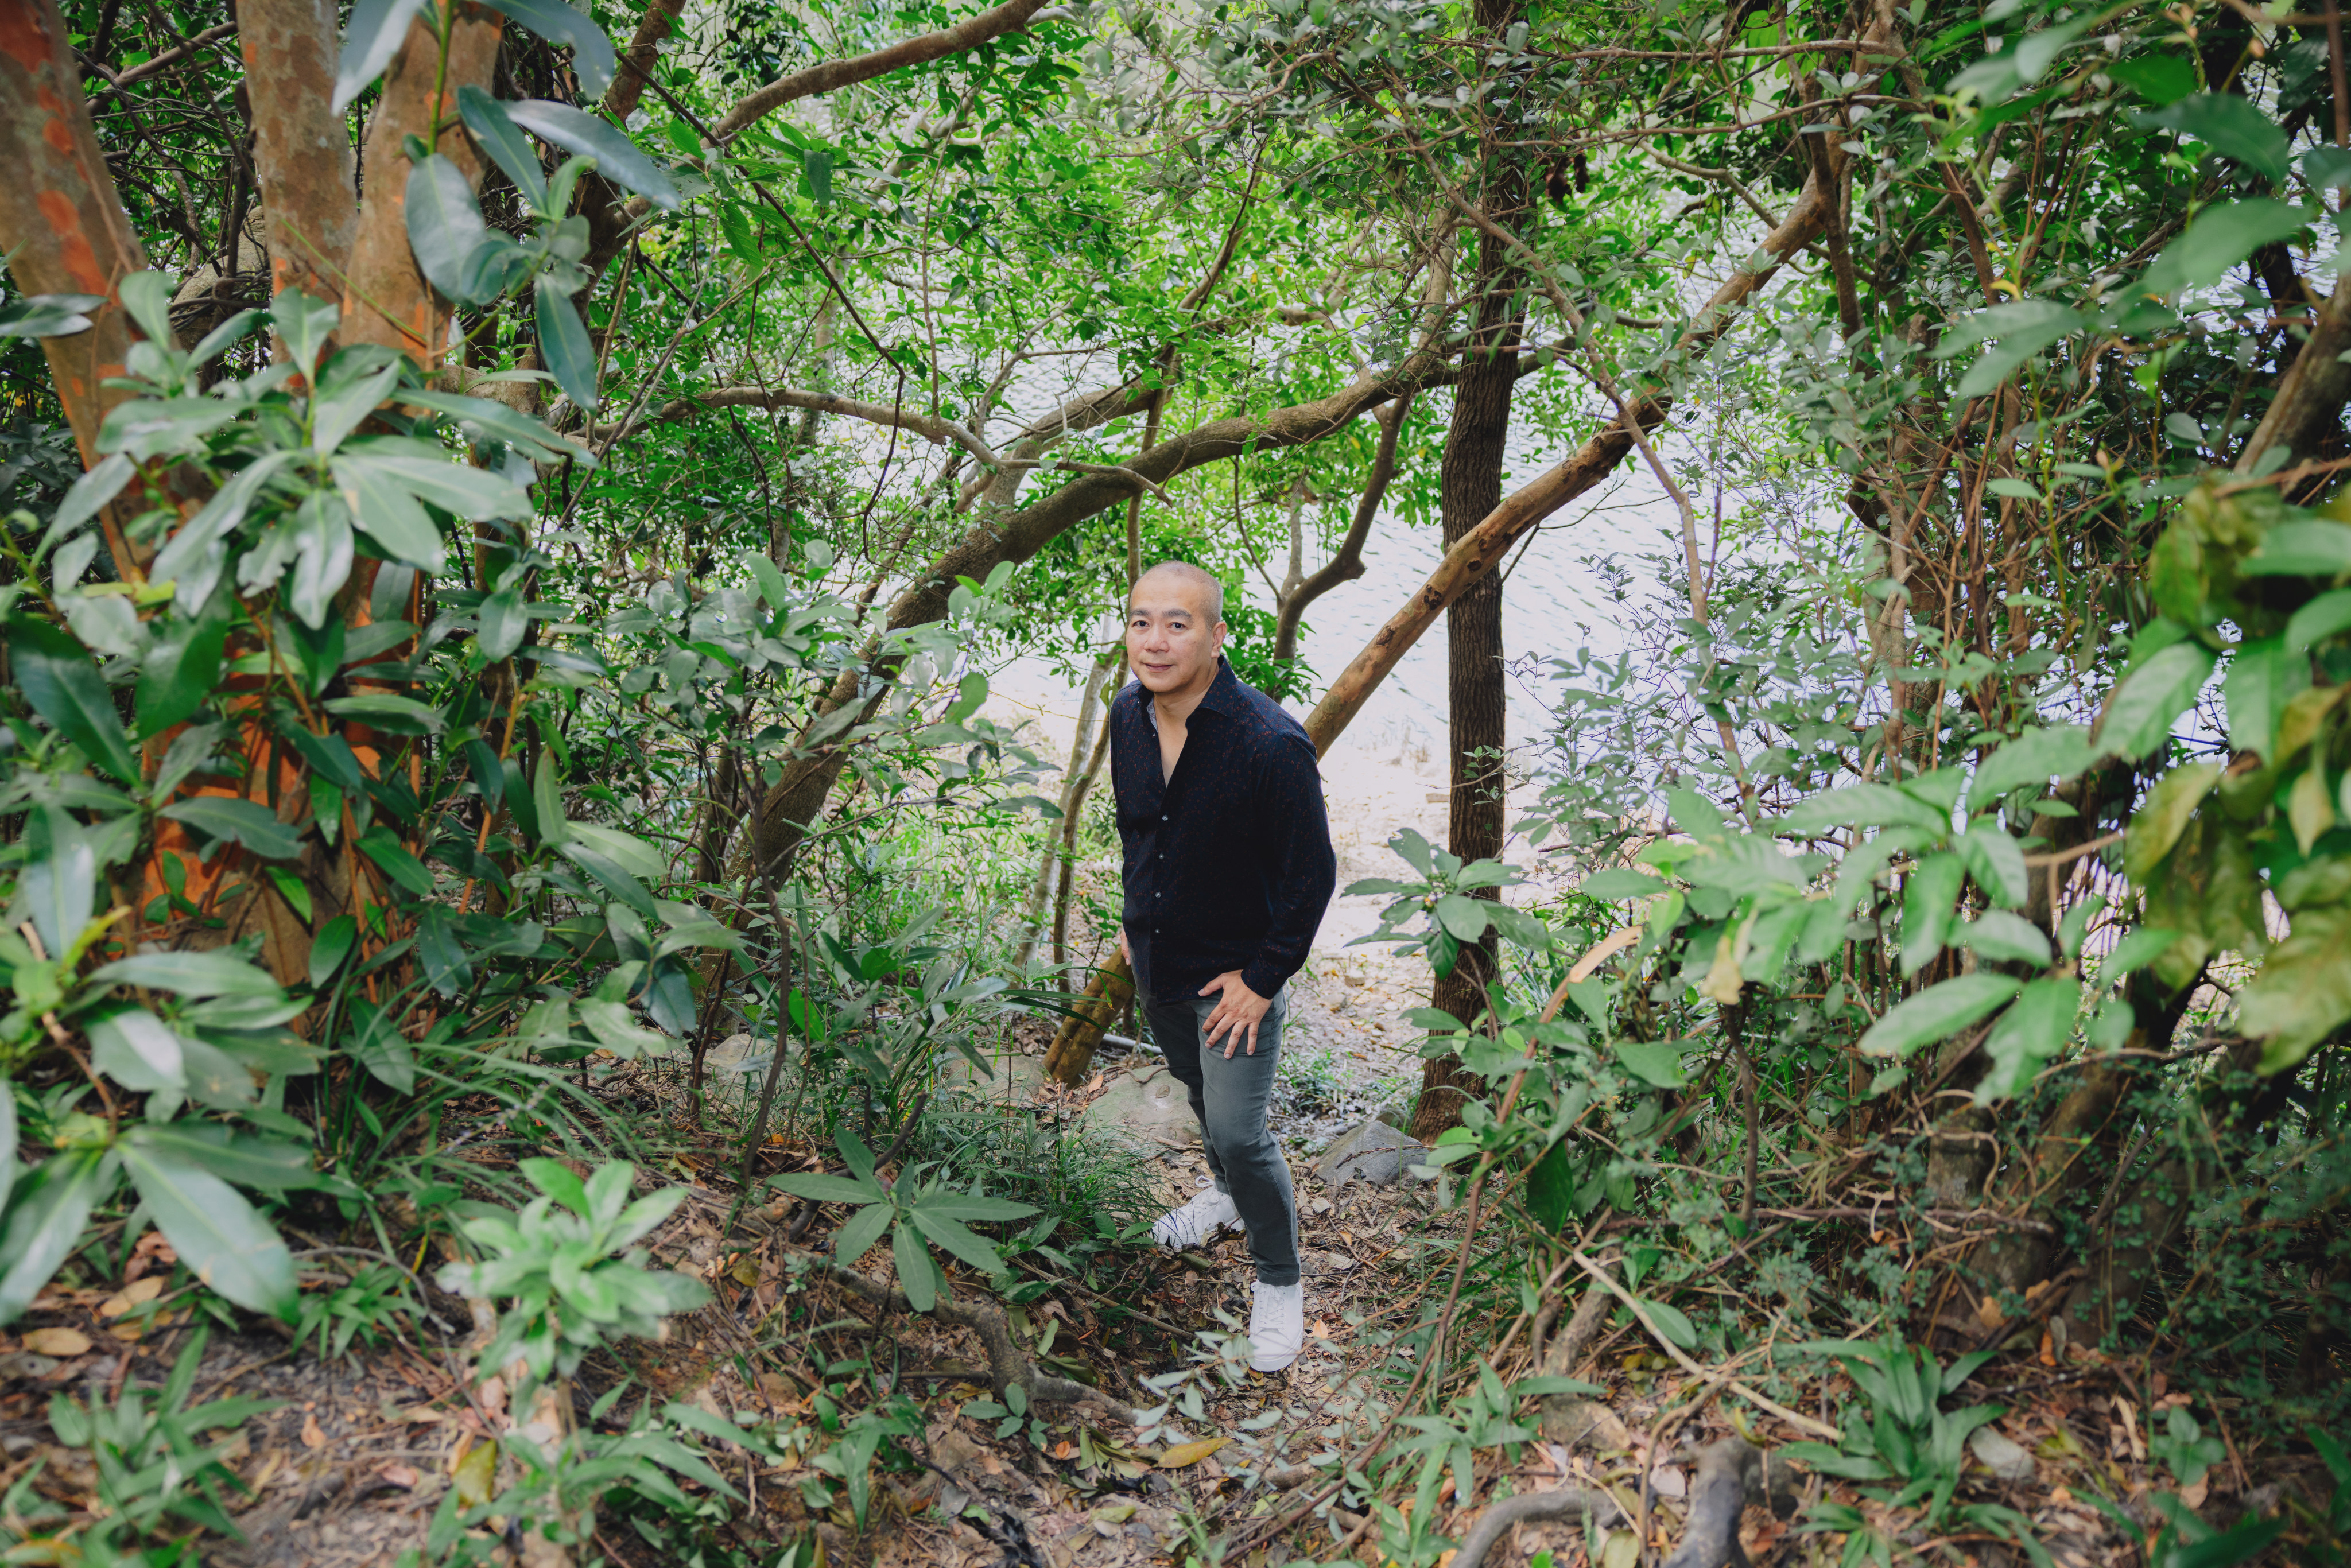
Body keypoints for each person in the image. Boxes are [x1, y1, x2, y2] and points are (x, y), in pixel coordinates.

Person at [1108, 561, 1337, 1372]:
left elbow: (1312, 878)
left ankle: (1279, 1278)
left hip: (1234, 983)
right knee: (1199, 1095)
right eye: (1142, 622)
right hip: (1157, 958)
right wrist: (1136, 916)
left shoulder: (1268, 743)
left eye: (1178, 624)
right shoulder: (1128, 713)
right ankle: (1226, 1199)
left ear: (1216, 637)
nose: (1156, 641)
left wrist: (1263, 979)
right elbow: (1139, 828)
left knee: (1241, 1132)